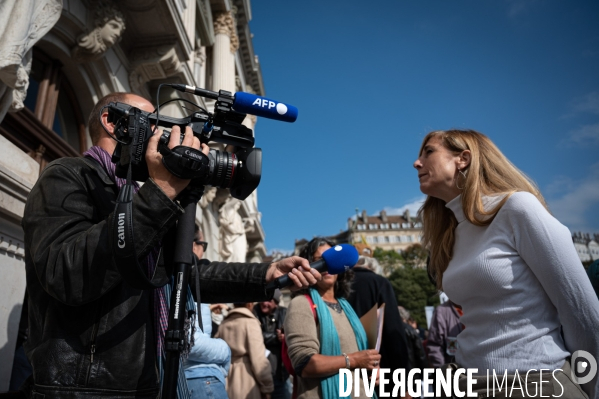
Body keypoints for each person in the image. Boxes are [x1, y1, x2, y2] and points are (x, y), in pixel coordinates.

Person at [21, 92, 321, 398]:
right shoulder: (69, 176)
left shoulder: (139, 196)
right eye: (151, 123)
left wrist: (265, 274)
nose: (160, 135)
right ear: (111, 121)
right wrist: (160, 193)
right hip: (82, 390)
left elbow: (184, 274)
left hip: (145, 383)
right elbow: (66, 273)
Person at [414, 129, 599, 397]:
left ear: (463, 158)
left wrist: (589, 387)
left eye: (428, 152)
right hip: (467, 384)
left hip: (533, 382)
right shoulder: (451, 233)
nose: (417, 162)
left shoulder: (517, 207)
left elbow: (582, 312)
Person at [284, 237, 380, 399]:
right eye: (320, 260)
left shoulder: (346, 307)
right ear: (307, 266)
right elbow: (305, 364)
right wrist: (354, 360)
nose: (327, 265)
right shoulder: (301, 304)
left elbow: (357, 356)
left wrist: (370, 367)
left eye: (332, 259)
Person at [184, 227, 231, 399]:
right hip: (201, 380)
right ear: (193, 246)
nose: (203, 250)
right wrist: (226, 351)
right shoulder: (187, 277)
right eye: (203, 244)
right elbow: (190, 342)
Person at [346, 256, 410, 374]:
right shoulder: (379, 282)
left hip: (344, 360)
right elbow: (393, 328)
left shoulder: (338, 284)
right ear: (374, 268)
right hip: (379, 365)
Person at [216, 302, 274, 399]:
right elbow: (259, 361)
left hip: (227, 379)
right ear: (250, 304)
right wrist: (267, 387)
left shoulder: (224, 323)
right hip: (248, 380)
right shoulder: (250, 322)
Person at [253, 290, 290, 399]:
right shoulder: (253, 312)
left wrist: (285, 337)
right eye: (263, 300)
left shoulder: (284, 313)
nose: (265, 303)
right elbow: (255, 337)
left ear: (276, 303)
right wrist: (276, 337)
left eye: (269, 301)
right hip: (259, 374)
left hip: (280, 373)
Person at [426, 300, 463, 368]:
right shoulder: (441, 312)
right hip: (453, 373)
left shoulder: (479, 307)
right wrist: (443, 372)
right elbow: (435, 346)